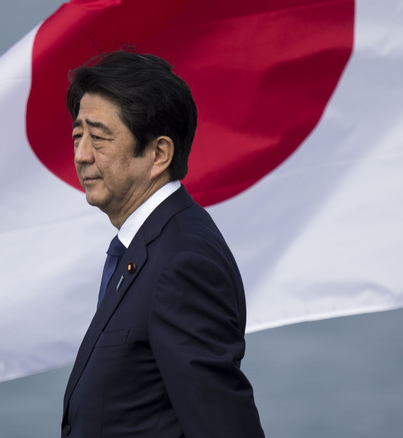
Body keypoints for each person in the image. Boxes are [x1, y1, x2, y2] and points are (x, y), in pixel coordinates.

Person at [61, 50, 265, 438]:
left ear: (158, 154)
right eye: (77, 135)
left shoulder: (182, 262)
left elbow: (223, 426)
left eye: (99, 138)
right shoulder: (151, 246)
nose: (82, 155)